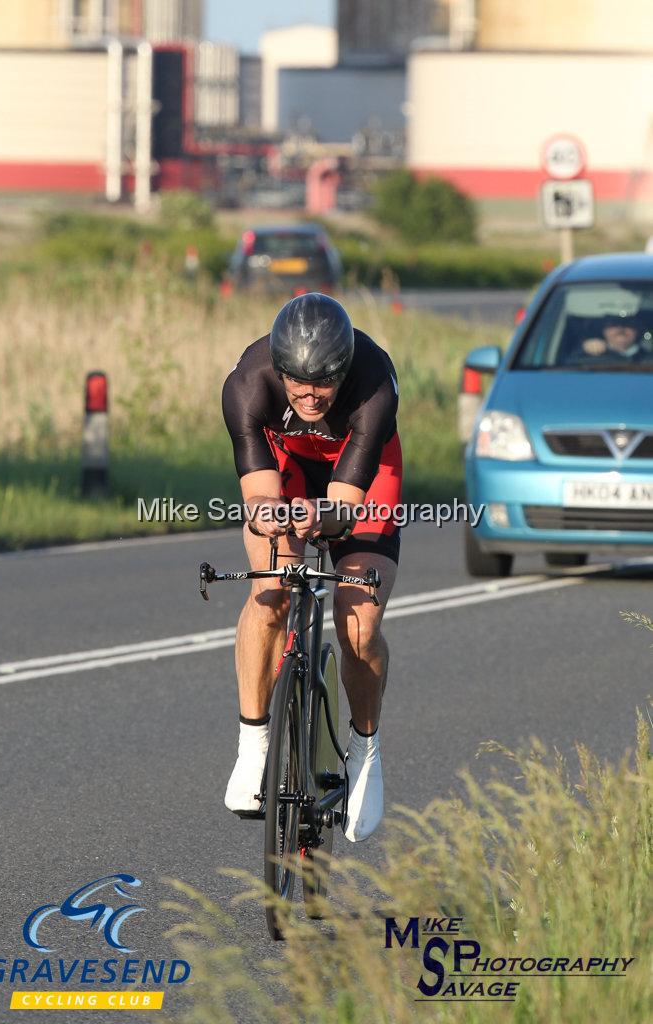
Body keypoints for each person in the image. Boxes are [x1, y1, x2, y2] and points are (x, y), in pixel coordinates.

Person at [221, 293, 402, 843]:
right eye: (297, 382)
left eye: (323, 383)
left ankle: (365, 750)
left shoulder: (374, 385)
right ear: (277, 369)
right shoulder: (246, 387)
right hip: (286, 468)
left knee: (359, 623)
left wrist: (321, 516)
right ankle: (253, 746)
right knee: (270, 592)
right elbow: (258, 498)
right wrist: (277, 516)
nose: (309, 394)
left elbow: (345, 508)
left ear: (344, 371)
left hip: (362, 472)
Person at [571, 312, 646, 363]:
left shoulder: (649, 359)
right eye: (613, 324)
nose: (620, 329)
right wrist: (583, 350)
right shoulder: (586, 358)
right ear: (603, 330)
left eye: (627, 324)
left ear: (637, 329)